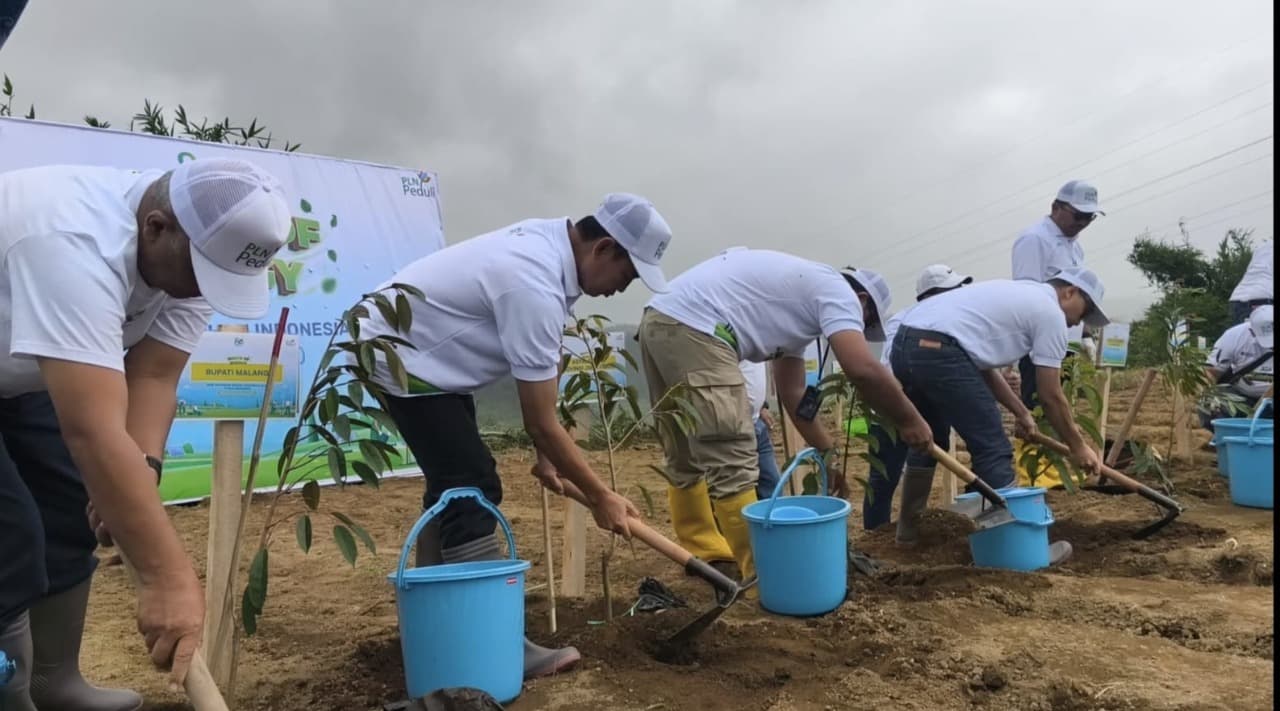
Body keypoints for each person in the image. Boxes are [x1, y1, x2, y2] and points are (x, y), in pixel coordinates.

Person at [0, 158, 292, 709]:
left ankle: (52, 682)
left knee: (69, 498)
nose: (203, 291)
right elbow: (92, 431)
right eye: (202, 274)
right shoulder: (72, 240)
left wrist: (142, 466)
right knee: (9, 539)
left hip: (18, 373)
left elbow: (154, 375)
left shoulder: (199, 254)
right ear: (155, 227)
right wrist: (166, 580)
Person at [357, 193, 673, 679]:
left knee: (453, 486)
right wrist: (600, 496)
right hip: (398, 356)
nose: (620, 289)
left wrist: (548, 457)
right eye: (627, 275)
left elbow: (546, 362)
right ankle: (496, 644)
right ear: (604, 248)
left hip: (425, 358)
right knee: (471, 486)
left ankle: (434, 625)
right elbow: (540, 422)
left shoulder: (553, 249)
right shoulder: (533, 279)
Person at [639, 247, 933, 582]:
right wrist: (910, 420)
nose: (856, 327)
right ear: (861, 300)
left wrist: (827, 454)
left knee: (683, 449)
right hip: (696, 328)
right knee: (732, 456)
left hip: (660, 319)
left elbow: (793, 392)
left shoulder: (799, 305)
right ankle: (762, 577)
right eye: (864, 322)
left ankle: (706, 551)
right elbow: (861, 368)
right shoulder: (838, 292)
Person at [889, 267, 1109, 559]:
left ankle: (907, 536)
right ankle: (1017, 552)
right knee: (993, 448)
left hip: (906, 344)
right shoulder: (1050, 312)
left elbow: (980, 367)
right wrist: (1078, 446)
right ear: (1070, 292)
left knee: (930, 439)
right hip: (939, 351)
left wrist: (1021, 412)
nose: (1079, 322)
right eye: (1085, 312)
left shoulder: (1018, 295)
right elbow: (1051, 395)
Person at [862, 264, 972, 531]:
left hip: (925, 406)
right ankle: (875, 536)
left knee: (924, 460)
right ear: (935, 294)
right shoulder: (905, 320)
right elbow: (891, 369)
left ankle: (909, 528)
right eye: (954, 290)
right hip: (892, 407)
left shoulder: (950, 322)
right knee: (883, 477)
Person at [1011, 179, 1104, 407]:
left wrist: (1085, 334)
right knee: (1040, 410)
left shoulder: (1075, 247)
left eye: (1089, 217)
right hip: (1040, 345)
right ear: (1056, 207)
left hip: (1067, 343)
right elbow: (1026, 295)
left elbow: (1078, 295)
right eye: (1078, 216)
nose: (1082, 223)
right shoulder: (1035, 239)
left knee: (1062, 408)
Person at [1200, 305, 1274, 430]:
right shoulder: (1233, 336)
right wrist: (1208, 395)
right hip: (1240, 395)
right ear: (1252, 331)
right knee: (1209, 406)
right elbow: (1211, 372)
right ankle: (1222, 436)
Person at [739, 360, 782, 500]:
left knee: (772, 483)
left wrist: (761, 405)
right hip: (735, 427)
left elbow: (752, 373)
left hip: (757, 422)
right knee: (739, 487)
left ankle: (773, 515)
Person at [1228, 239, 1273, 325]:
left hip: (1238, 298)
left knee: (1243, 332)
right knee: (1265, 332)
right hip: (1263, 298)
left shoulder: (1262, 247)